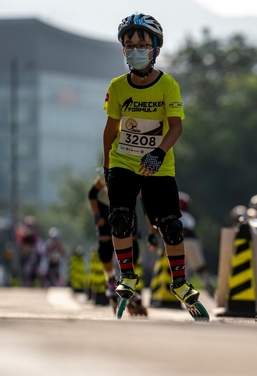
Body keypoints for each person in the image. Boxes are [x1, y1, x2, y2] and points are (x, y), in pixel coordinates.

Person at [102, 13, 207, 317]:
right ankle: (127, 275)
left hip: (157, 166)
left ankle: (180, 283)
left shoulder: (168, 85)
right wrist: (108, 167)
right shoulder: (117, 87)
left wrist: (159, 153)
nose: (135, 51)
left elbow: (176, 127)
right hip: (123, 161)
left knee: (171, 226)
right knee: (120, 219)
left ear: (156, 49)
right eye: (130, 45)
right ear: (123, 49)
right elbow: (110, 130)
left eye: (143, 45)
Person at [87, 170, 150, 315]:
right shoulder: (106, 173)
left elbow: (145, 201)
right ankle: (111, 280)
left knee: (133, 244)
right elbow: (92, 194)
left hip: (127, 205)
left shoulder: (138, 173)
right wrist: (96, 215)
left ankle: (128, 279)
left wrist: (151, 229)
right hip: (106, 207)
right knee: (105, 246)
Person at [178, 191, 215, 296]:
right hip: (190, 241)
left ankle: (183, 287)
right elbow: (188, 229)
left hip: (177, 242)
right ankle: (205, 282)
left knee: (181, 266)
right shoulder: (188, 216)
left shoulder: (174, 216)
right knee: (199, 267)